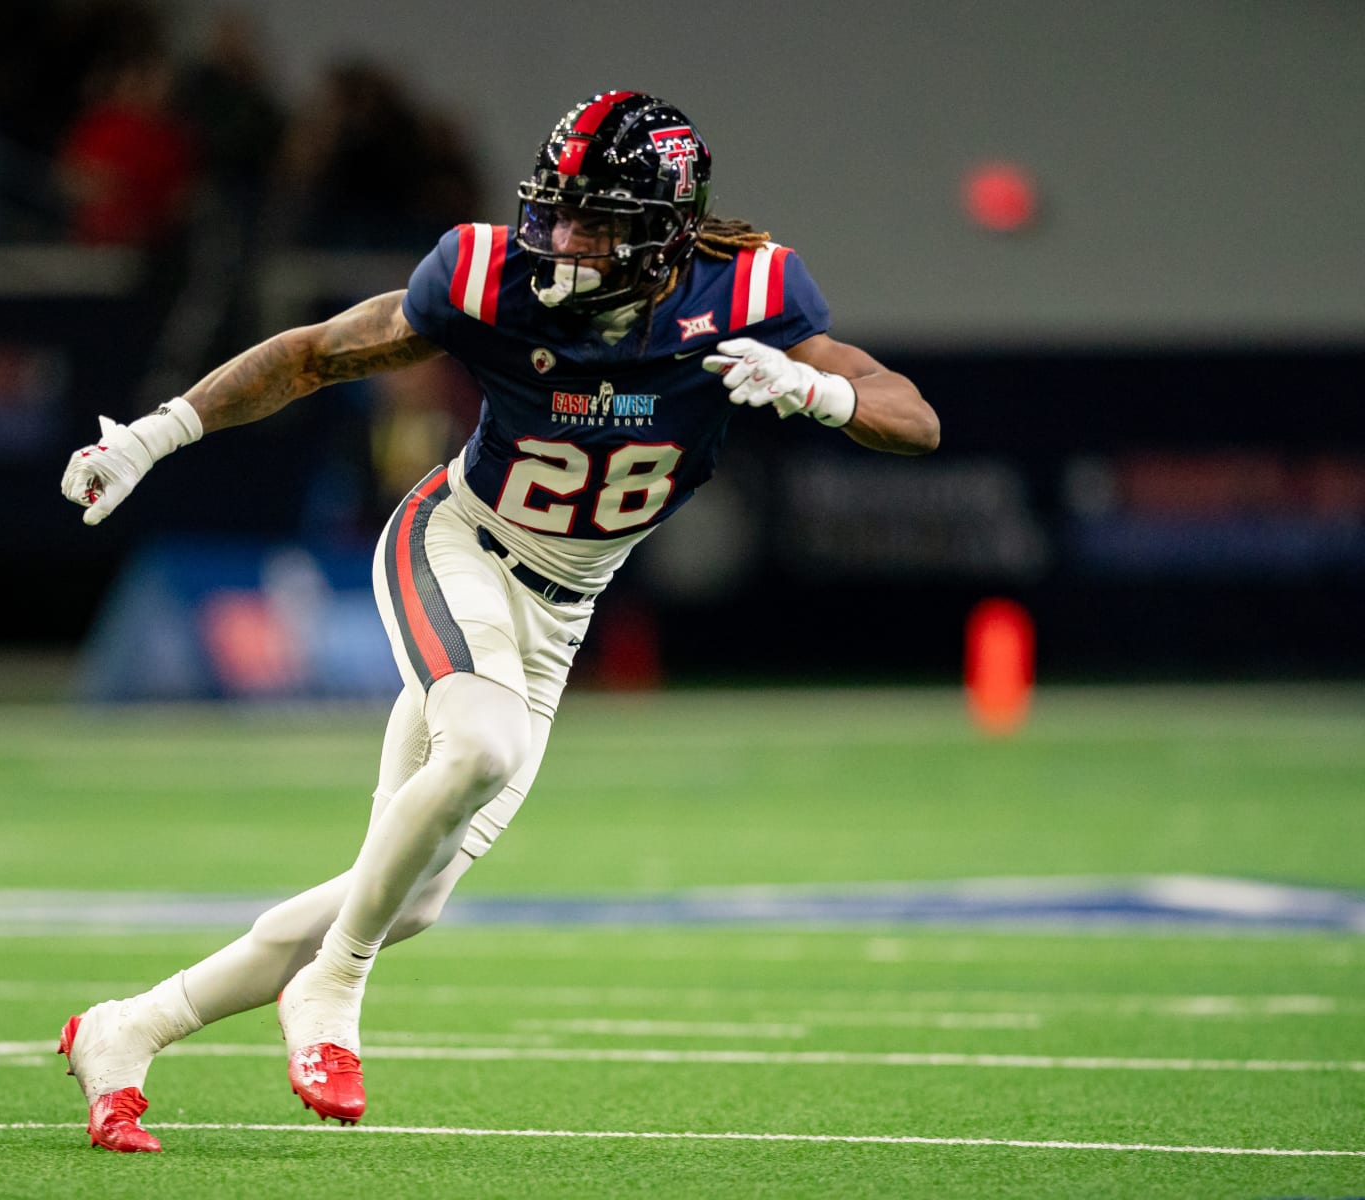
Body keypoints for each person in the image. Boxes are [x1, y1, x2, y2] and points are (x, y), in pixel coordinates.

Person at [54, 90, 939, 1153]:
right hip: (459, 546)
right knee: (482, 748)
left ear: (665, 232)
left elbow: (914, 416)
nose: (562, 239)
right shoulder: (489, 277)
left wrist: (820, 394)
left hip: (561, 614)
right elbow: (315, 354)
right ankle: (332, 986)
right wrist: (153, 436)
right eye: (557, 209)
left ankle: (129, 1029)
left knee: (410, 896)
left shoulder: (751, 295)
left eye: (596, 220)